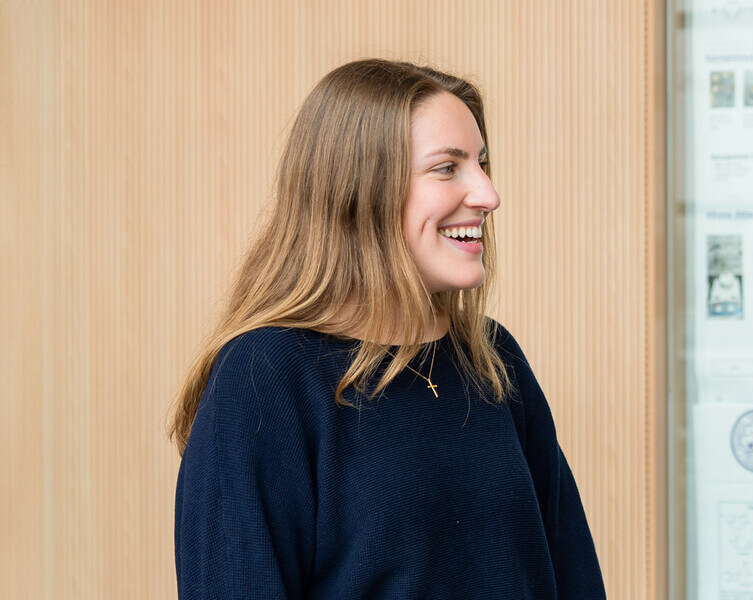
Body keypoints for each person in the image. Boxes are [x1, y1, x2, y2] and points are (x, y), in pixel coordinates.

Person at [168, 59, 605, 599]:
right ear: (360, 193)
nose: (488, 195)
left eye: (481, 163)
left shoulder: (494, 360)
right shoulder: (266, 378)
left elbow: (575, 578)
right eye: (448, 168)